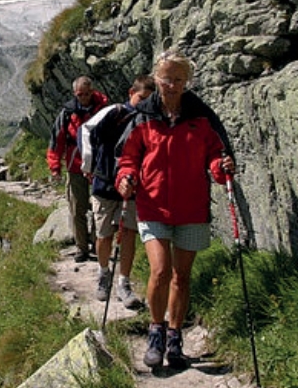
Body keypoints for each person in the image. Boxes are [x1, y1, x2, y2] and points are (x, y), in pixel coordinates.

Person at [116, 48, 235, 370]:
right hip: (152, 206)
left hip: (192, 208)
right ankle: (155, 332)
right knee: (160, 271)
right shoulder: (142, 117)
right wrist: (125, 177)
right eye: (166, 78)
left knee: (182, 276)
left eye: (178, 79)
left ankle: (174, 337)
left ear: (187, 82)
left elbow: (215, 153)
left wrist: (221, 168)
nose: (171, 85)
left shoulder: (201, 117)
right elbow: (128, 158)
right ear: (156, 78)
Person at [79, 75, 155, 309]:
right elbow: (86, 130)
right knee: (104, 234)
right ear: (131, 91)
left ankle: (124, 282)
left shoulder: (149, 118)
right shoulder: (114, 112)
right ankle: (104, 274)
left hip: (132, 185)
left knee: (129, 233)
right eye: (141, 97)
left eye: (148, 100)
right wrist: (89, 166)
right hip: (104, 183)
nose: (143, 103)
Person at [47, 76, 108, 262]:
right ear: (75, 93)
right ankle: (82, 248)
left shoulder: (104, 110)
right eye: (80, 95)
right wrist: (55, 167)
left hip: (99, 167)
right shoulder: (67, 113)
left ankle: (98, 245)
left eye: (87, 94)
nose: (84, 98)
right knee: (77, 209)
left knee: (100, 209)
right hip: (75, 167)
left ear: (92, 91)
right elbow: (56, 141)